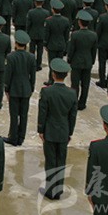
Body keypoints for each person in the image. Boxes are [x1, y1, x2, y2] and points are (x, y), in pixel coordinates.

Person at [37, 58, 77, 200]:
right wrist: (70, 132)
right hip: (64, 130)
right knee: (61, 161)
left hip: (50, 130)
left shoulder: (47, 92)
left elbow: (43, 113)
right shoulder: (72, 93)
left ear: (53, 74)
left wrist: (40, 130)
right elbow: (73, 116)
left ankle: (50, 190)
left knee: (50, 161)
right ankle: (58, 190)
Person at [4, 30, 35, 146]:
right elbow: (33, 76)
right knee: (23, 115)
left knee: (14, 115)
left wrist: (6, 89)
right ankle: (21, 137)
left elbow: (8, 75)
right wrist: (31, 88)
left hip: (14, 89)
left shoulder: (11, 57)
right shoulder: (31, 57)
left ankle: (13, 137)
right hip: (26, 89)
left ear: (16, 43)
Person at [67, 11, 97, 111]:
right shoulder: (93, 35)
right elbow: (94, 51)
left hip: (76, 61)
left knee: (75, 84)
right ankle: (82, 103)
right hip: (87, 61)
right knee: (85, 84)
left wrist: (69, 59)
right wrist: (92, 61)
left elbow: (71, 49)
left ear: (79, 22)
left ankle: (74, 102)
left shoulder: (75, 35)